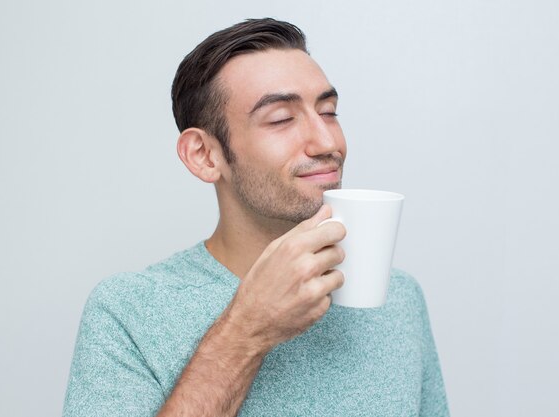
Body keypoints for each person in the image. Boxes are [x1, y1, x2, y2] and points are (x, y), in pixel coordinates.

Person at [63, 18, 449, 417]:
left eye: (329, 112)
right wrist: (246, 330)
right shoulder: (128, 311)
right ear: (204, 155)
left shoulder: (400, 296)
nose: (328, 142)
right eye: (281, 119)